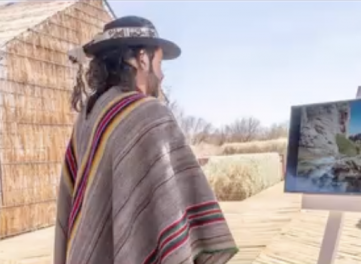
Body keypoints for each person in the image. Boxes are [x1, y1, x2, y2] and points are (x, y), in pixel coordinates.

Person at [54, 16, 238, 264]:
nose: (161, 76)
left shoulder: (88, 116)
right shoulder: (148, 114)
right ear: (142, 58)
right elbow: (175, 204)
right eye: (159, 63)